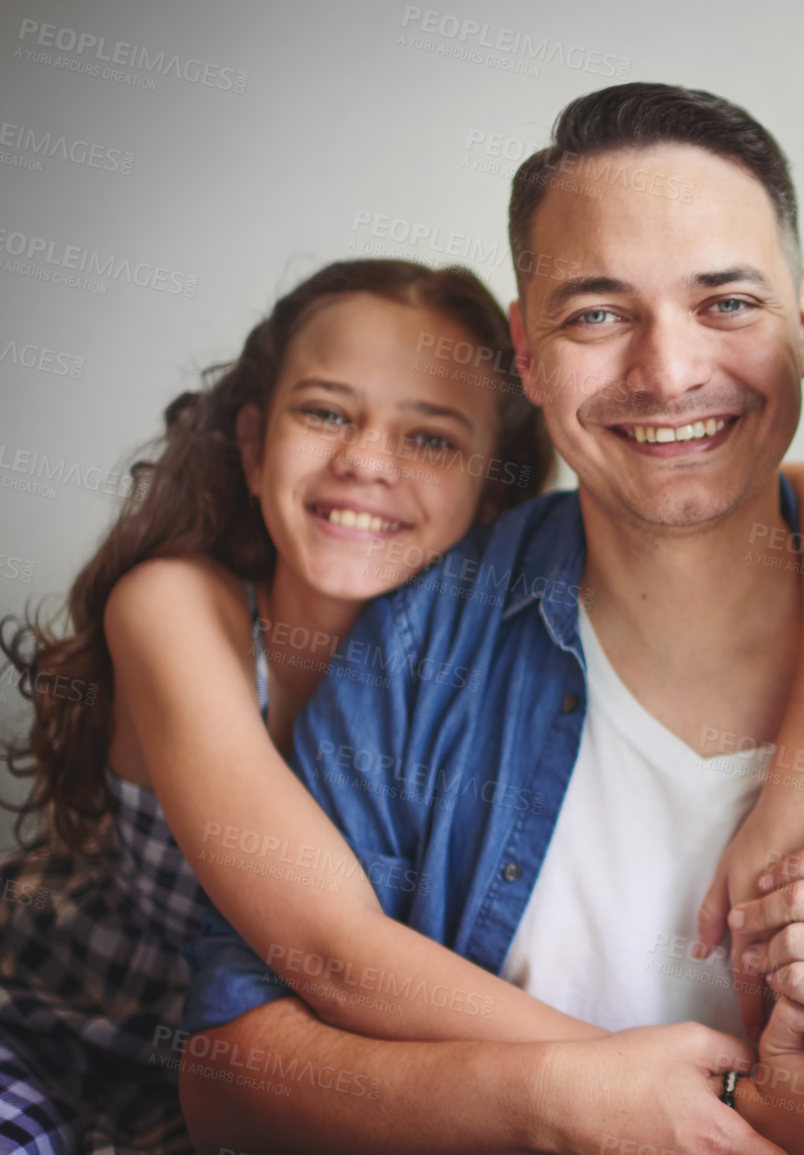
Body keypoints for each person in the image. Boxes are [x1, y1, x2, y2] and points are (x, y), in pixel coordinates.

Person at [172, 82, 804, 1155]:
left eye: (726, 304)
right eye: (598, 313)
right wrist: (555, 1105)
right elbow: (223, 1066)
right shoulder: (424, 641)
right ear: (526, 352)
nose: (669, 372)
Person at [0, 257, 555, 1154]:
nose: (366, 462)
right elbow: (330, 951)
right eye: (327, 412)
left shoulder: (487, 674)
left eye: (432, 439)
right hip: (53, 1031)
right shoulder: (174, 605)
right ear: (256, 447)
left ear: (492, 492)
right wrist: (625, 1080)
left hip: (274, 1098)